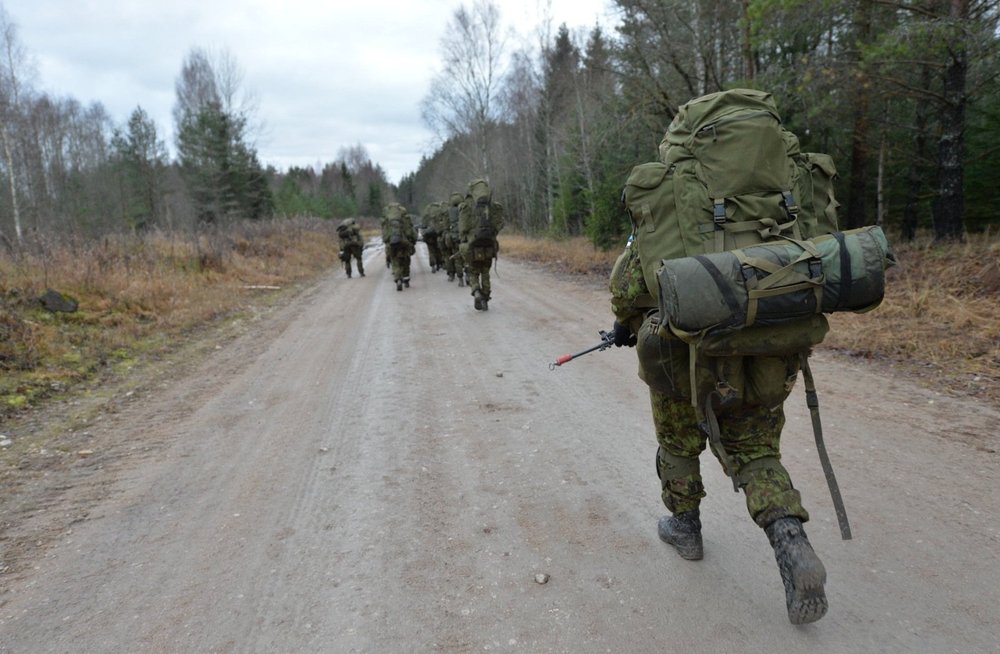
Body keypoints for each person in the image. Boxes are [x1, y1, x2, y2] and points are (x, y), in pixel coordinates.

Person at [608, 235, 828, 625]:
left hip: (681, 358)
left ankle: (686, 528)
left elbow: (626, 290)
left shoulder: (667, 208)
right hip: (762, 353)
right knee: (756, 452)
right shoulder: (771, 209)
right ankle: (790, 538)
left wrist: (626, 323)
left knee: (678, 445)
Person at [458, 179, 504, 311]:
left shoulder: (466, 205)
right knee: (485, 271)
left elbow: (463, 228)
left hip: (472, 244)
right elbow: (499, 224)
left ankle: (476, 291)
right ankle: (486, 298)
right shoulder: (493, 205)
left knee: (473, 271)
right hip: (489, 243)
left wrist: (464, 238)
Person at [382, 202, 416, 291]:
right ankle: (406, 279)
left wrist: (388, 242)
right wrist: (412, 241)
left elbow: (385, 237)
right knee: (406, 260)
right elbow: (410, 232)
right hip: (404, 243)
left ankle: (398, 280)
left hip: (392, 244)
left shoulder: (387, 221)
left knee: (394, 261)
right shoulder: (405, 219)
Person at [442, 192, 465, 285]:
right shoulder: (465, 208)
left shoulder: (448, 211)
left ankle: (460, 279)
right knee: (467, 256)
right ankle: (468, 275)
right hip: (464, 236)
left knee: (457, 258)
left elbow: (445, 226)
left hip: (454, 237)